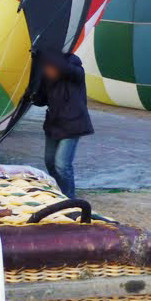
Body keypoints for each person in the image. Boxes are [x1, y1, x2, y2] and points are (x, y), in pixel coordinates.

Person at [31, 49, 93, 198]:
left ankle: (69, 198)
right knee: (50, 161)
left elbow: (64, 68)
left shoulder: (76, 70)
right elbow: (41, 99)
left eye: (51, 67)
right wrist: (30, 94)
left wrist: (43, 55)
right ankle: (59, 192)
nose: (49, 70)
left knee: (62, 164)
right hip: (54, 124)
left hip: (73, 123)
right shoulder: (47, 77)